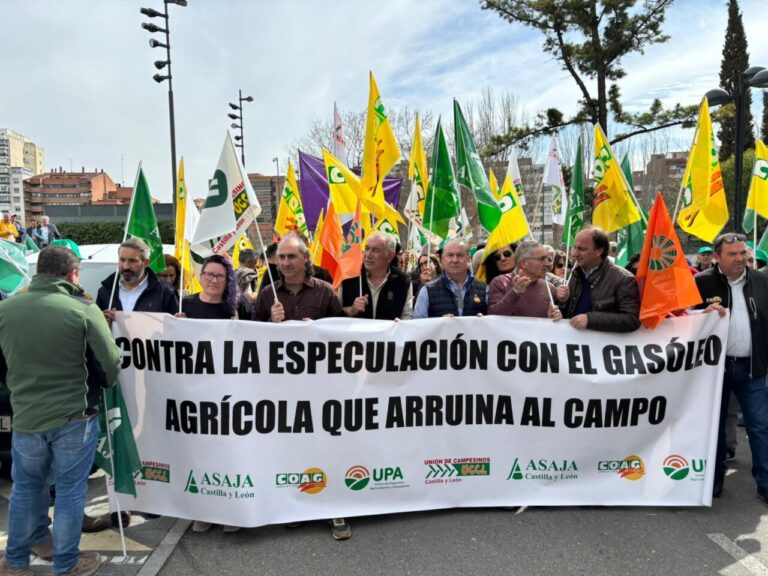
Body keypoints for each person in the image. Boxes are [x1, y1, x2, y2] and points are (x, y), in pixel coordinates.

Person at [0, 246, 122, 576]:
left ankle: (15, 560)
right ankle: (67, 562)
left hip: (25, 417)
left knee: (26, 488)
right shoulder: (83, 308)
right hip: (74, 417)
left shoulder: (6, 309)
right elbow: (110, 363)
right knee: (69, 492)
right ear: (73, 274)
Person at [251, 233, 349, 539]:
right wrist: (270, 323)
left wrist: (316, 330)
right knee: (291, 448)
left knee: (326, 447)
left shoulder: (324, 292)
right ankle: (296, 504)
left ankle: (334, 509)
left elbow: (342, 335)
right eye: (281, 257)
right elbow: (250, 338)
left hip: (320, 388)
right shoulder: (267, 294)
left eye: (291, 257)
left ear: (305, 259)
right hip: (282, 389)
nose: (285, 263)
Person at [694, 232, 768, 503]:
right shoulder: (700, 283)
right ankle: (712, 482)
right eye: (733, 254)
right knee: (713, 427)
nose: (741, 259)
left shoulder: (761, 281)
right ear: (717, 257)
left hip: (753, 369)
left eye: (743, 253)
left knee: (760, 427)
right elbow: (679, 319)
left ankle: (765, 484)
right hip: (715, 370)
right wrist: (700, 315)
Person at [176, 255, 242, 533]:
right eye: (209, 275)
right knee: (200, 452)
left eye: (220, 276)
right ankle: (204, 511)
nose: (214, 280)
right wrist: (174, 327)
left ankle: (231, 513)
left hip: (229, 395)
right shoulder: (185, 305)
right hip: (195, 394)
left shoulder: (238, 308)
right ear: (201, 276)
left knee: (228, 452)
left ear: (227, 281)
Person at [560, 226, 640, 332]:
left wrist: (590, 319)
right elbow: (566, 314)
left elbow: (631, 320)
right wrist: (561, 304)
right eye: (574, 248)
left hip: (603, 346)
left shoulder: (623, 279)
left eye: (582, 249)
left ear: (599, 251)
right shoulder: (571, 275)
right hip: (575, 345)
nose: (574, 253)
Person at [96, 238, 178, 321]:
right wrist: (102, 321)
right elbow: (95, 328)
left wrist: (181, 320)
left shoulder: (165, 291)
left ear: (146, 263)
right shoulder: (105, 291)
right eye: (122, 260)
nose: (126, 266)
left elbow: (176, 328)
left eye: (132, 261)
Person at [340, 232, 413, 320]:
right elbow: (332, 314)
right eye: (367, 249)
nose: (368, 255)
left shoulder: (403, 281)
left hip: (389, 334)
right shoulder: (349, 277)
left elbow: (407, 316)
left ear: (390, 256)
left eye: (375, 250)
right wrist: (351, 310)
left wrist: (400, 324)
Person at [488, 240, 563, 320]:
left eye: (548, 259)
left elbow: (557, 320)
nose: (547, 264)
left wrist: (552, 318)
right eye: (542, 259)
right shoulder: (500, 282)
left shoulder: (549, 287)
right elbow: (493, 316)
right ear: (524, 263)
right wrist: (515, 292)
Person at [413, 238, 487, 319]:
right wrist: (438, 324)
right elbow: (418, 327)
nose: (455, 260)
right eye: (450, 255)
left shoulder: (484, 289)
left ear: (469, 259)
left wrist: (485, 321)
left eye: (459, 255)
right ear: (442, 260)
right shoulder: (426, 291)